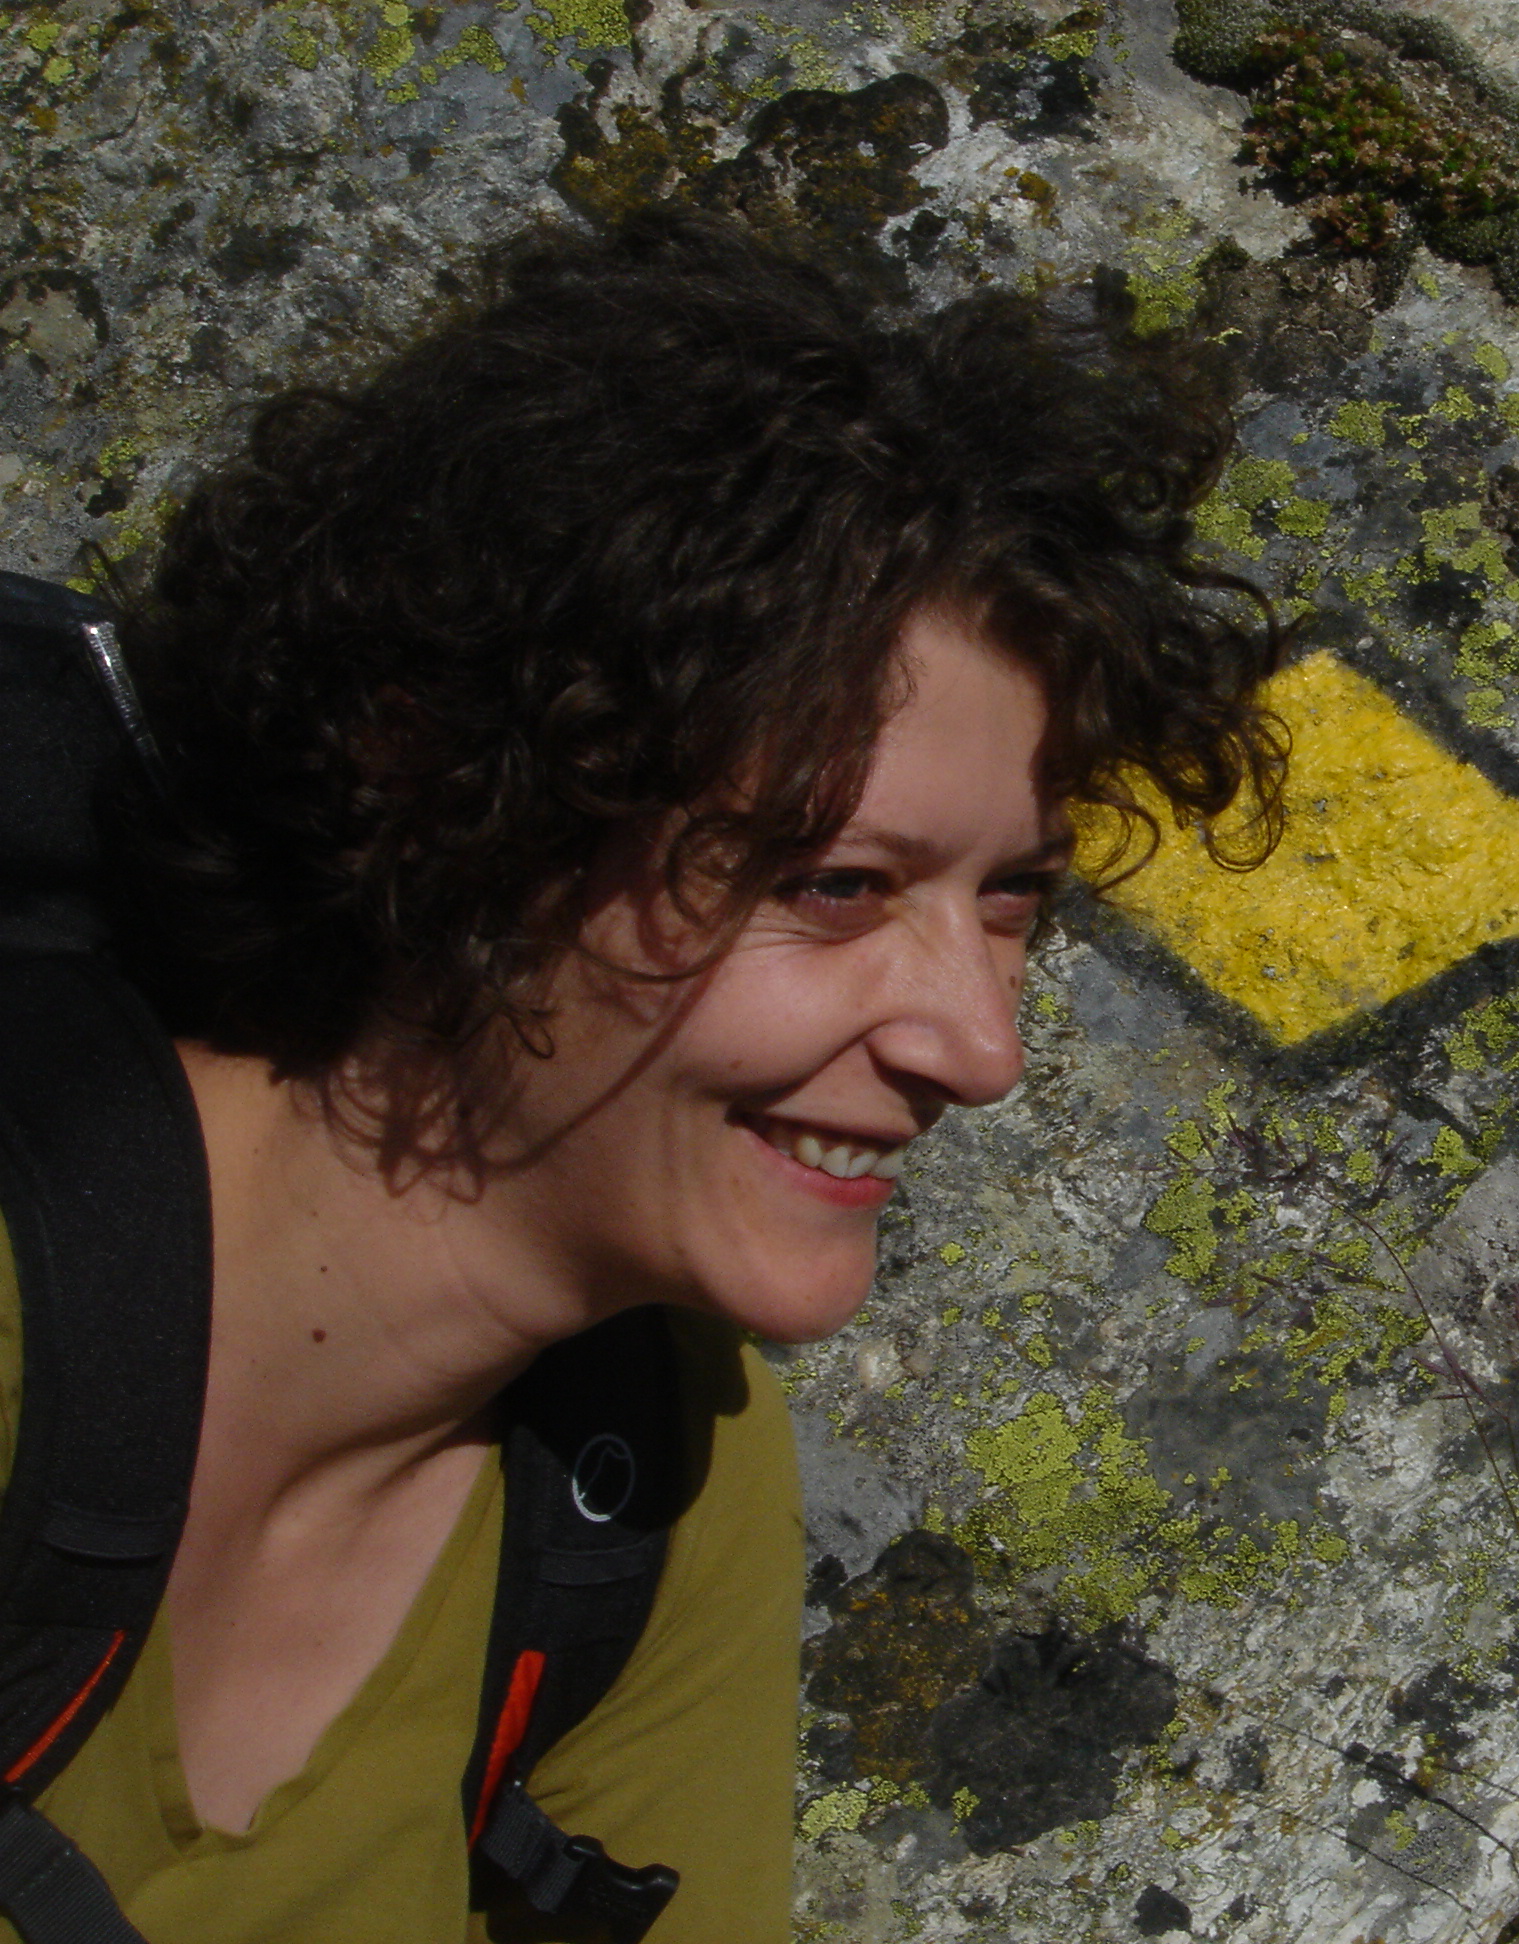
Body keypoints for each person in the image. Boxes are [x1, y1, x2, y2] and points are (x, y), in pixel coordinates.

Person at [1, 207, 1284, 1941]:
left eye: (1012, 901)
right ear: (442, 799)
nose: (983, 1049)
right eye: (835, 886)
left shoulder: (649, 1479)